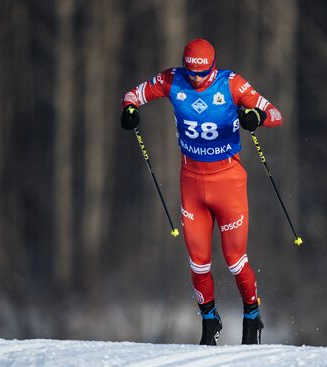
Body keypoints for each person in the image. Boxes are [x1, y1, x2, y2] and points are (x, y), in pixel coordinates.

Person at [120, 38, 283, 345]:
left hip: (228, 182)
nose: (196, 80)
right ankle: (210, 319)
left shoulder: (231, 84)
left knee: (235, 259)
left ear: (213, 68)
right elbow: (133, 95)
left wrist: (256, 116)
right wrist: (129, 110)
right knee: (198, 262)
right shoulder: (172, 79)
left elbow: (275, 113)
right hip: (192, 183)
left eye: (203, 74)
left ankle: (251, 313)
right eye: (192, 73)